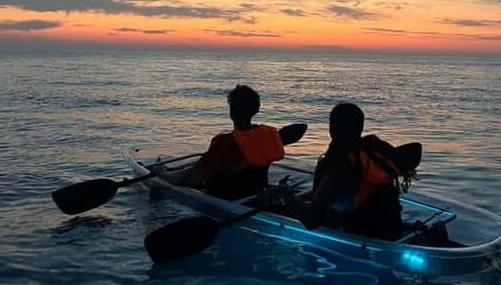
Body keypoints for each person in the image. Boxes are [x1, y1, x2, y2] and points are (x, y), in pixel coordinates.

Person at [275, 102, 419, 241]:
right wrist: (301, 197)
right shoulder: (371, 155)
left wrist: (285, 194)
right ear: (360, 127)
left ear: (332, 128)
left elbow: (312, 220)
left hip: (357, 239)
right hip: (390, 231)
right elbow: (337, 192)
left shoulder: (340, 164)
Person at [153, 84, 285, 200]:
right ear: (256, 110)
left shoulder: (226, 142)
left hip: (226, 197)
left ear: (231, 112)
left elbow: (189, 178)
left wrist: (162, 174)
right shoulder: (267, 135)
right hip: (255, 191)